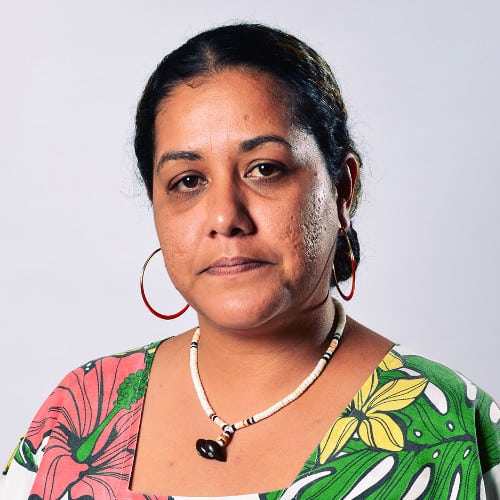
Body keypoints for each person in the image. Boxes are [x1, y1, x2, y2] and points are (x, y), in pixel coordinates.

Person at [1, 23, 498, 500]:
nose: (225, 217)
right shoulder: (78, 414)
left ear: (342, 189)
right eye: (188, 181)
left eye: (264, 169)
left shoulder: (454, 425)